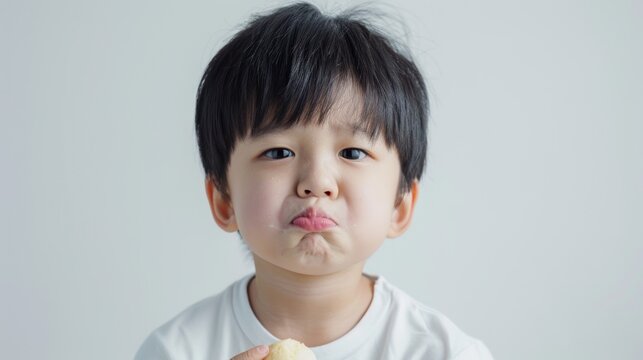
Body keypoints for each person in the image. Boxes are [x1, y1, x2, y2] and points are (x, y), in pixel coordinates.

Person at [135, 2, 494, 359]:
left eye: (352, 153)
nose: (317, 182)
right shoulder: (175, 350)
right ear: (224, 200)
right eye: (278, 152)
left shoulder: (445, 352)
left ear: (400, 206)